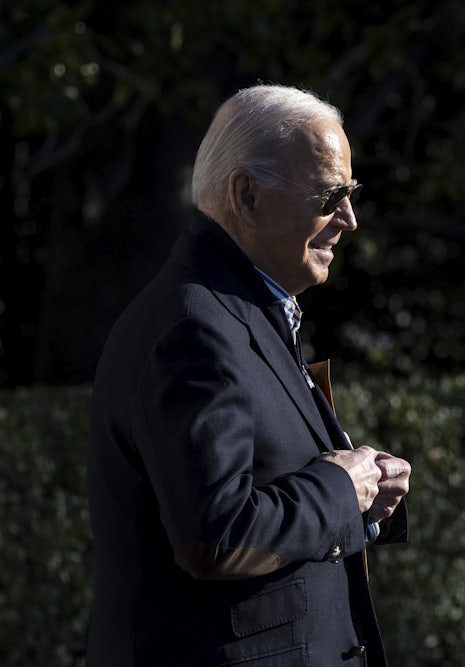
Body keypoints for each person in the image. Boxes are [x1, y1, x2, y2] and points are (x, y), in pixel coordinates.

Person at [86, 84, 411, 666]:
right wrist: (341, 489)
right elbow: (217, 534)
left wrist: (362, 498)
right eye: (330, 195)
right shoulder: (195, 327)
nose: (350, 219)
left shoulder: (242, 309)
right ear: (248, 197)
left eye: (351, 194)